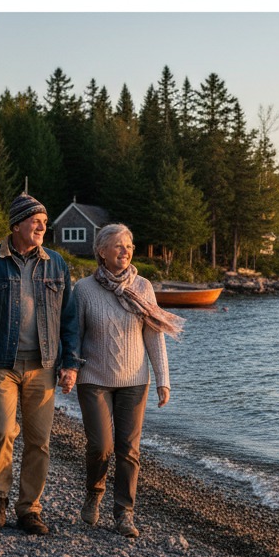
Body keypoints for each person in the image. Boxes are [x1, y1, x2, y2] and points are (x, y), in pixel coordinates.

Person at [0, 192, 80, 535]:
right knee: (1, 431)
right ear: (16, 225)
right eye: (35, 221)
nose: (42, 227)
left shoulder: (56, 264)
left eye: (44, 222)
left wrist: (70, 364)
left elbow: (69, 319)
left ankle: (29, 509)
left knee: (39, 440)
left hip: (43, 365)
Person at [73, 223, 184, 538]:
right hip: (93, 378)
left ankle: (124, 513)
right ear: (102, 251)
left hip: (135, 380)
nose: (126, 251)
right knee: (100, 445)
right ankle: (94, 491)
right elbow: (74, 335)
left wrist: (163, 379)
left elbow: (154, 334)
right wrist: (69, 369)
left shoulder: (143, 287)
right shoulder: (83, 289)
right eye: (119, 245)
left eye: (129, 246)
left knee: (129, 450)